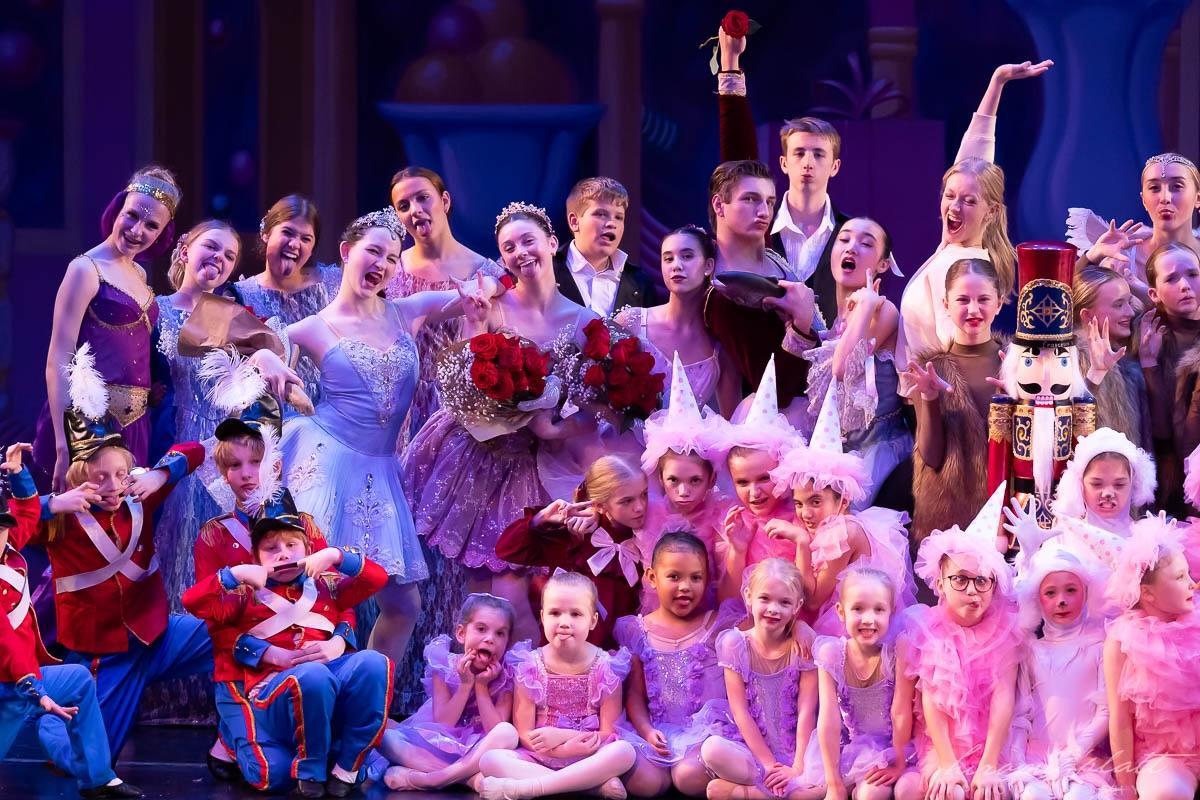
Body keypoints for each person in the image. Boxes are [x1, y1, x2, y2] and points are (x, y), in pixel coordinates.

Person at [249, 206, 493, 673]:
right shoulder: (311, 327)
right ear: (346, 252)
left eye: (392, 257)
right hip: (326, 463)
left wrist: (483, 293)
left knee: (404, 604)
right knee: (310, 593)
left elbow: (485, 286)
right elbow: (257, 349)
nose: (382, 264)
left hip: (381, 470)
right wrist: (267, 359)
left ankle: (371, 695)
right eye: (373, 251)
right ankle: (302, 692)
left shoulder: (407, 312)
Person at [403, 202, 603, 644]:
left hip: (531, 463)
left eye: (528, 241)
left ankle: (531, 680)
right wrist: (476, 324)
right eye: (508, 247)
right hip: (476, 453)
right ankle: (476, 679)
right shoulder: (493, 304)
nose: (520, 252)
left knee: (515, 589)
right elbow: (464, 380)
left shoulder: (584, 321)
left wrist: (553, 429)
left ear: (553, 243)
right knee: (478, 592)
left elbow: (595, 408)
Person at [6, 379, 211, 771]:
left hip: (158, 635)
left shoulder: (138, 493)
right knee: (86, 765)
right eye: (100, 477)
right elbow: (11, 525)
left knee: (237, 634)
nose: (113, 486)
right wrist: (52, 504)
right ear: (77, 476)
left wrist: (160, 474)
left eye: (120, 473)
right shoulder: (60, 520)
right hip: (105, 655)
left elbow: (195, 451)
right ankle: (53, 725)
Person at [182, 506, 391, 798]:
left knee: (374, 663)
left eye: (292, 545)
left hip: (325, 684)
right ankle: (305, 769)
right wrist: (236, 573)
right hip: (272, 694)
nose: (283, 554)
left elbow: (377, 578)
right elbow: (193, 602)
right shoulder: (244, 594)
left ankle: (347, 767)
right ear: (256, 558)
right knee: (273, 776)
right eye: (271, 549)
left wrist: (334, 555)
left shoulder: (326, 586)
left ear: (308, 550)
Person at [0, 444, 143, 799]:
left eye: (3, 528)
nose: (4, 536)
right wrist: (35, 691)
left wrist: (19, 474)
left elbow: (26, 513)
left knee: (78, 680)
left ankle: (97, 777)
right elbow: (6, 642)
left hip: (21, 678)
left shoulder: (7, 545)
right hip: (11, 685)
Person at [896, 59, 1052, 364]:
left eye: (968, 201)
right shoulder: (955, 249)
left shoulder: (963, 266)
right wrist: (998, 82)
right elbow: (972, 159)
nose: (954, 206)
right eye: (949, 195)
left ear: (990, 212)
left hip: (933, 393)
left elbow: (958, 354)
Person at [35, 165, 181, 490]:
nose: (137, 230)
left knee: (126, 520)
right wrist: (63, 444)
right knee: (80, 520)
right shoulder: (85, 269)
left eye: (151, 225)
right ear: (117, 209)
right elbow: (58, 359)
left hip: (135, 425)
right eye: (132, 216)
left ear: (162, 233)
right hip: (88, 426)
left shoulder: (139, 275)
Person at [894, 486, 1025, 800]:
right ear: (940, 584)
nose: (972, 590)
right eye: (960, 579)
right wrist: (947, 763)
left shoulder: (1005, 633)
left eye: (982, 580)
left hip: (993, 744)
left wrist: (989, 764)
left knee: (989, 791)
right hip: (943, 745)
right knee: (947, 790)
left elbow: (1003, 699)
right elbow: (933, 703)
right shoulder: (929, 631)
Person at [766, 385, 915, 635]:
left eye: (816, 502)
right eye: (799, 503)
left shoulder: (843, 533)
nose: (805, 513)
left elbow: (812, 600)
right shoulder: (836, 525)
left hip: (851, 626)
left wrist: (802, 542)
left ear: (843, 500)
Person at [476, 571, 636, 800]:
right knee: (490, 760)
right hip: (541, 756)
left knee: (624, 752)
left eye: (575, 614)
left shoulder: (606, 667)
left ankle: (529, 789)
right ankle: (589, 788)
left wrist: (564, 736)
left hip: (589, 756)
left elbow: (609, 733)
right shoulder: (529, 665)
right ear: (542, 617)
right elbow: (524, 733)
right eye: (555, 613)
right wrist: (560, 750)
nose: (564, 623)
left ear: (592, 620)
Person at [150, 219, 243, 608]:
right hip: (176, 441)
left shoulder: (234, 316)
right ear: (186, 250)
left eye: (229, 256)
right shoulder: (156, 309)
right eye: (212, 247)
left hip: (224, 449)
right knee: (174, 548)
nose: (219, 258)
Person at [616, 532, 744, 797]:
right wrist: (646, 731)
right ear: (652, 577)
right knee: (645, 783)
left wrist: (799, 627)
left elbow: (767, 628)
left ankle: (737, 787)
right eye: (674, 577)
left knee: (687, 777)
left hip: (706, 734)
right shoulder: (637, 630)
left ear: (707, 579)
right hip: (660, 731)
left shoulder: (718, 625)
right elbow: (635, 695)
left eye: (695, 578)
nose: (685, 586)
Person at [801, 217, 911, 508]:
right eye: (844, 239)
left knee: (845, 520)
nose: (852, 248)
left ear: (883, 264)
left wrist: (865, 307)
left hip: (875, 451)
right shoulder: (832, 317)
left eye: (866, 243)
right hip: (836, 447)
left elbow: (841, 370)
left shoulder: (883, 311)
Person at [698, 558, 822, 800]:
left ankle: (747, 793)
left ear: (797, 606)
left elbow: (806, 710)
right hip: (754, 753)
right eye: (765, 598)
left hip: (799, 750)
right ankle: (774, 788)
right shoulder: (735, 644)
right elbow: (740, 712)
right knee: (712, 749)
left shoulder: (803, 647)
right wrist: (768, 765)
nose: (773, 609)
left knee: (824, 786)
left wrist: (797, 767)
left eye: (784, 602)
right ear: (748, 596)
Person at [375, 594, 524, 793]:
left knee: (507, 732)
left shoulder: (508, 674)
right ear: (461, 633)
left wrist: (481, 687)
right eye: (481, 629)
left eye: (500, 633)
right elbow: (444, 722)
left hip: (481, 749)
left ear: (507, 642)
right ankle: (468, 779)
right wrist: (466, 684)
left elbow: (494, 729)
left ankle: (431, 778)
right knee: (386, 740)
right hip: (441, 744)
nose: (490, 639)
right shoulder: (443, 664)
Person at [496, 455, 648, 649]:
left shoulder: (646, 536)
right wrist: (540, 518)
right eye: (626, 501)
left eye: (644, 494)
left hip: (615, 656)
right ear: (599, 505)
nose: (640, 507)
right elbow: (506, 549)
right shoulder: (576, 534)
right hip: (564, 650)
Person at [902, 258, 1004, 542]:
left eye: (983, 299)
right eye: (963, 300)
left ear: (999, 302)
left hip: (1007, 521)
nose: (973, 309)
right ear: (946, 304)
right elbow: (932, 457)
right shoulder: (930, 370)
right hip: (949, 527)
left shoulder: (1019, 363)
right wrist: (929, 397)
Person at [1103, 514, 1200, 800]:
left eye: (1189, 574)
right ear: (1148, 593)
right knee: (1166, 791)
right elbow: (1120, 719)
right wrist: (1126, 785)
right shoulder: (1122, 642)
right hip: (1166, 755)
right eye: (1180, 577)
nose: (1193, 584)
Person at [1010, 542, 1113, 800]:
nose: (1062, 600)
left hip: (1085, 759)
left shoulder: (1100, 645)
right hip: (1036, 759)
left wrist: (1074, 754)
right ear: (1037, 599)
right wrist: (1018, 759)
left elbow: (1106, 710)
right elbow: (1022, 713)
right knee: (1032, 796)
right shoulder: (1031, 651)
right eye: (1050, 593)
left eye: (1071, 590)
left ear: (1086, 593)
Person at [636, 353, 732, 612]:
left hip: (708, 612)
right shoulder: (646, 514)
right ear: (660, 478)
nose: (683, 491)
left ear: (712, 479)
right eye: (673, 480)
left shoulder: (723, 518)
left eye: (695, 481)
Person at [811, 568, 916, 800]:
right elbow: (828, 719)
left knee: (890, 791)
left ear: (892, 612)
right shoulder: (832, 654)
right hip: (857, 751)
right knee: (867, 793)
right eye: (858, 608)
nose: (868, 619)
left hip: (899, 748)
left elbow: (900, 710)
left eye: (879, 609)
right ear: (841, 611)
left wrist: (899, 761)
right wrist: (833, 784)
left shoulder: (898, 651)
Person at [615, 225, 740, 414]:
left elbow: (731, 419)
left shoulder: (720, 344)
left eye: (687, 256)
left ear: (708, 266)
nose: (676, 265)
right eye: (668, 259)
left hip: (691, 433)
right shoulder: (631, 322)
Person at [710, 358, 803, 601]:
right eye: (742, 482)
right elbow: (727, 601)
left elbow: (811, 597)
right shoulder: (733, 524)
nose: (754, 493)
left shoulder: (801, 519)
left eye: (764, 478)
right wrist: (737, 550)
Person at [231, 194, 335, 407]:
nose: (295, 244)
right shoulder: (240, 295)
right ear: (266, 234)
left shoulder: (331, 285)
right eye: (287, 232)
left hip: (330, 411)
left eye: (306, 239)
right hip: (271, 414)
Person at [1067, 153, 1200, 296]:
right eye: (1154, 188)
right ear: (1143, 200)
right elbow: (1062, 298)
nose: (1165, 198)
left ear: (1198, 198)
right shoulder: (1121, 259)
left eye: (1177, 186)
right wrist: (1093, 256)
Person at [553, 177, 657, 317]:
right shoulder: (547, 271)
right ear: (574, 222)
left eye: (618, 217)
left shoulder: (641, 282)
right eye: (601, 214)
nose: (611, 223)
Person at [1072, 266, 1151, 450]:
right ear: (1087, 315)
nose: (1130, 312)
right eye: (1118, 305)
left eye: (1129, 302)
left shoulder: (1129, 355)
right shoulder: (1070, 363)